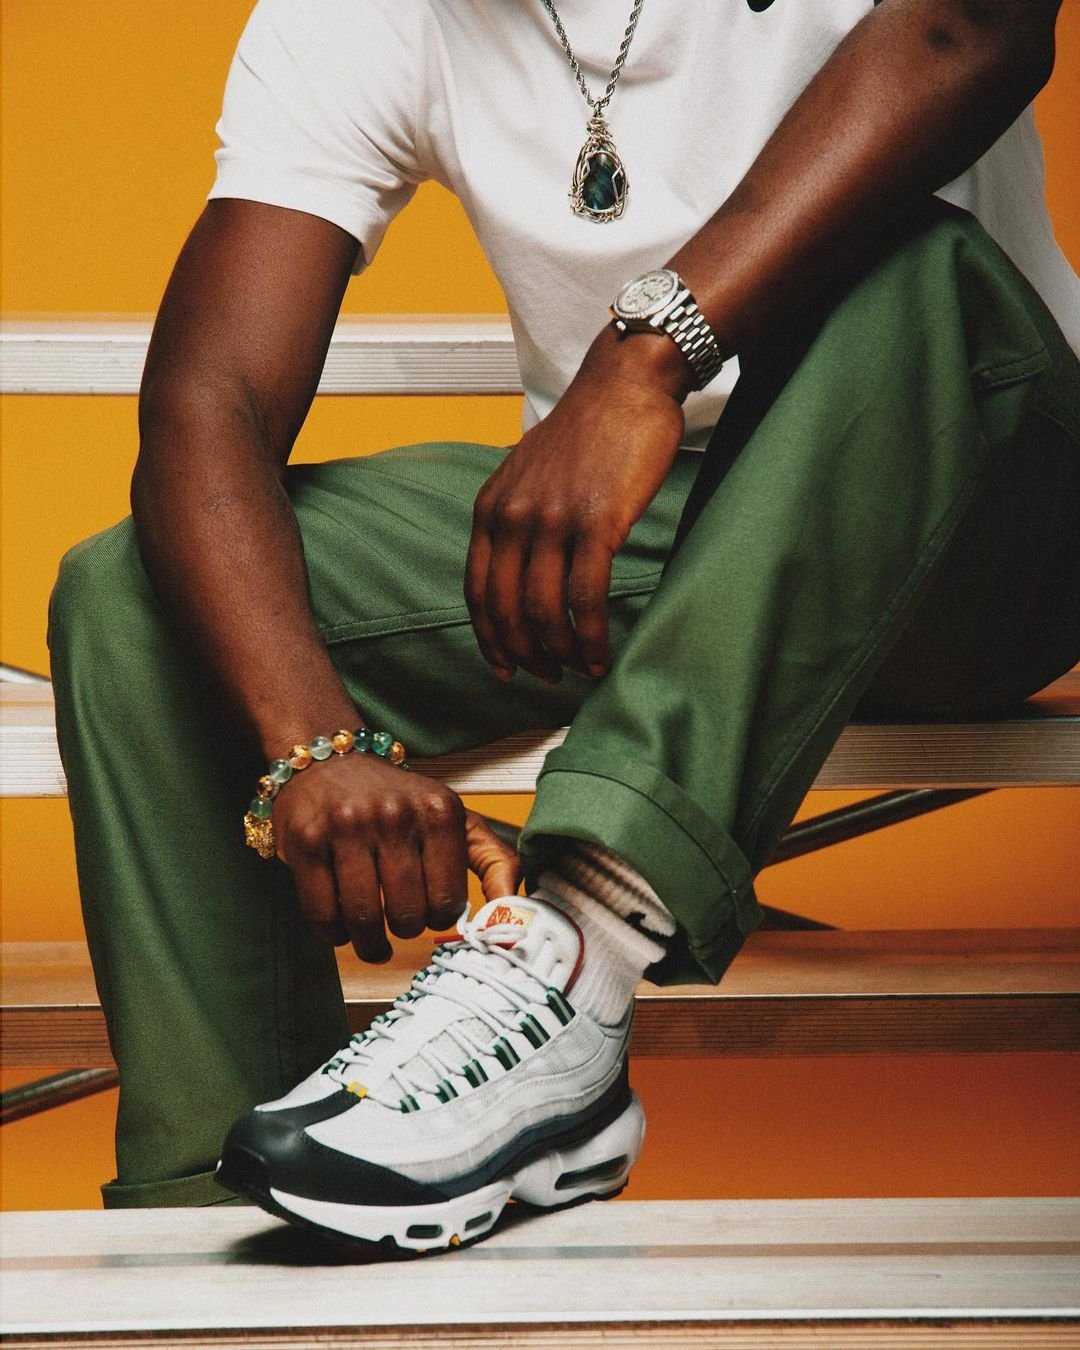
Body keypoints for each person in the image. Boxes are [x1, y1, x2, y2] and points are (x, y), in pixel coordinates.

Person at [49, 0, 1079, 1249]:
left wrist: (644, 359)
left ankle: (576, 959)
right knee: (141, 594)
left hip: (969, 511)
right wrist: (315, 745)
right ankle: (233, 1227)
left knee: (917, 260)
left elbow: (975, 30)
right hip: (657, 536)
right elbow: (210, 396)